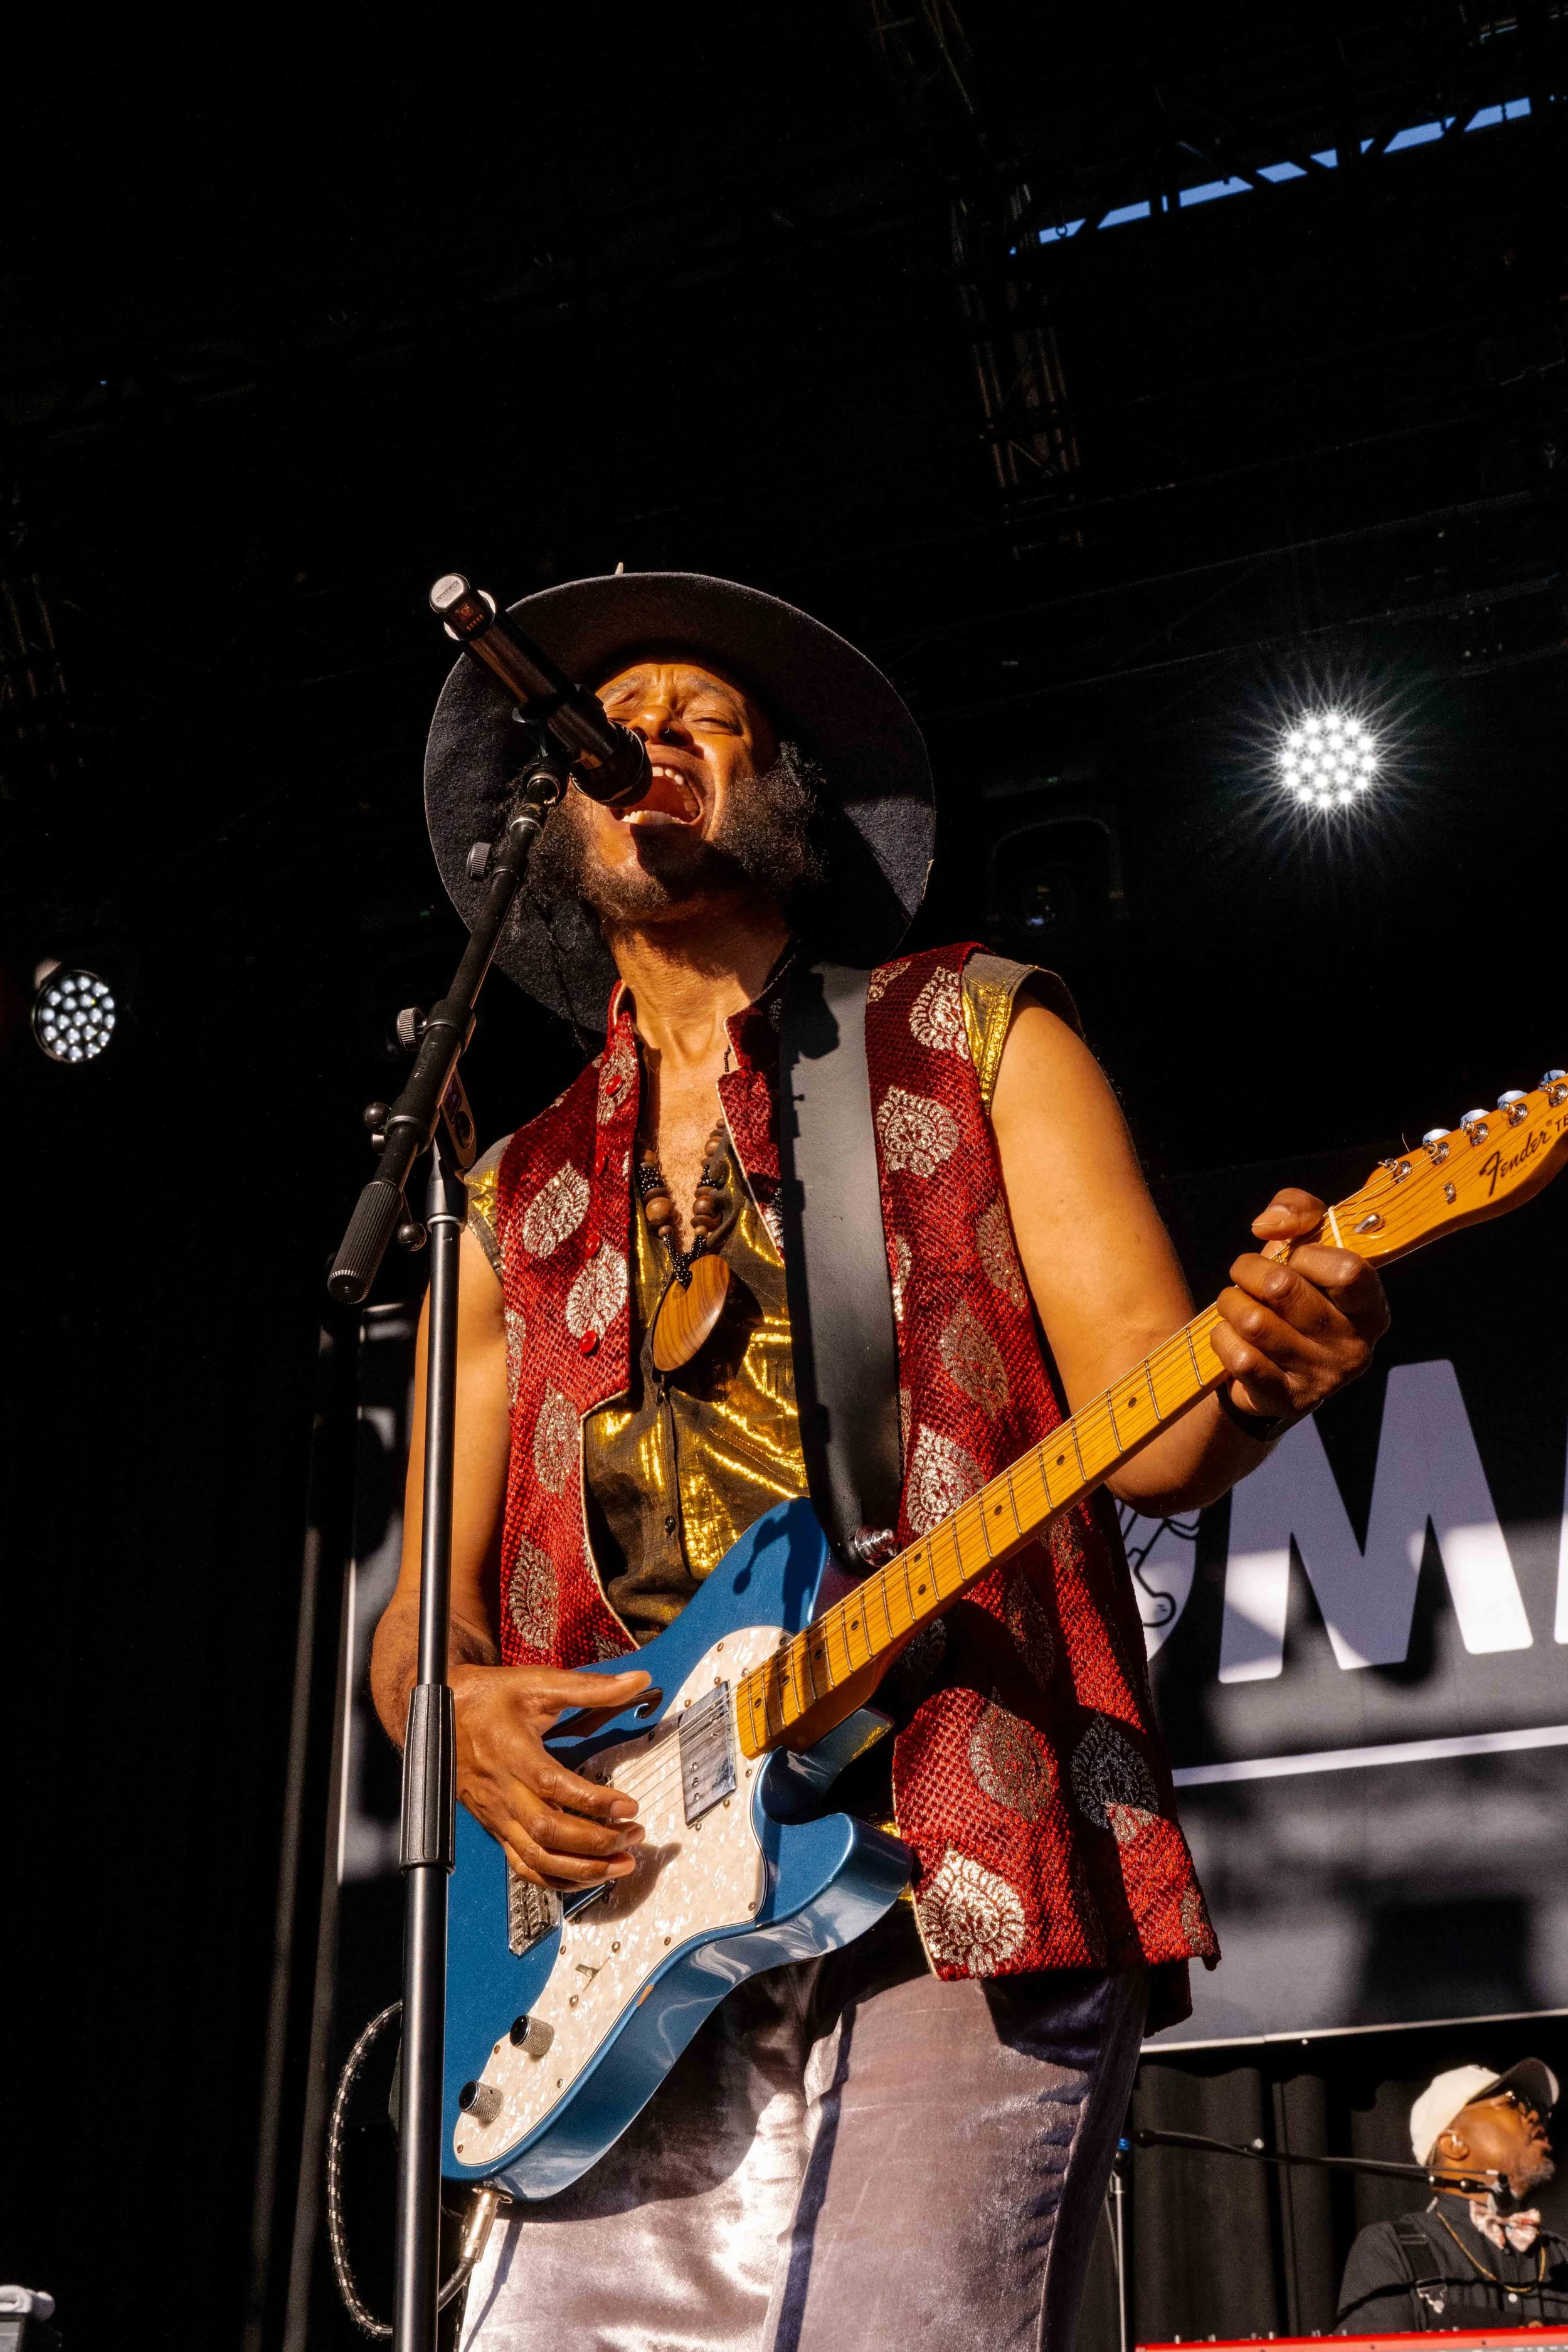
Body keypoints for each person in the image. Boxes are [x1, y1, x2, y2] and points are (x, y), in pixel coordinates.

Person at [372, 569, 1390, 2351]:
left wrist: (1266, 1371)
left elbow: (1156, 1432)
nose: (655, 733)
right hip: (608, 1925)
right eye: (615, 720)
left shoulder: (979, 1026)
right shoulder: (506, 1190)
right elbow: (414, 1626)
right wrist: (450, 1717)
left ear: (782, 786)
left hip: (946, 1868)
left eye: (708, 709)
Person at [1337, 2060, 1568, 2332]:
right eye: (1513, 2103)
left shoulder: (1562, 2255)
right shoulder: (1393, 2250)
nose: (1534, 2117)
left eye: (1538, 2109)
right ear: (1454, 2144)